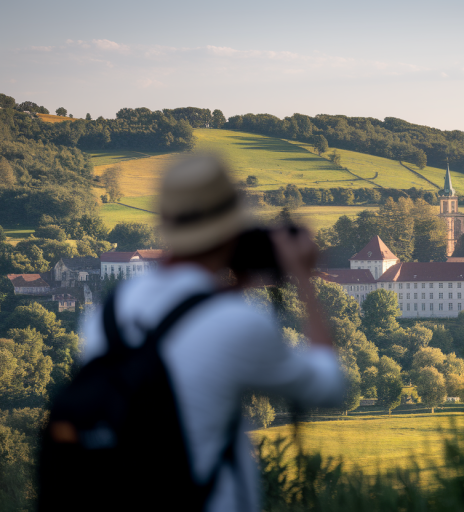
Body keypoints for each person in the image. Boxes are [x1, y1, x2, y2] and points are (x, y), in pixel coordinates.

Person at [81, 154, 344, 511]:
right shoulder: (237, 323)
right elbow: (328, 387)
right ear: (232, 228)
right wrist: (302, 278)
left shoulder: (107, 313)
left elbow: (183, 314)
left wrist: (240, 280)